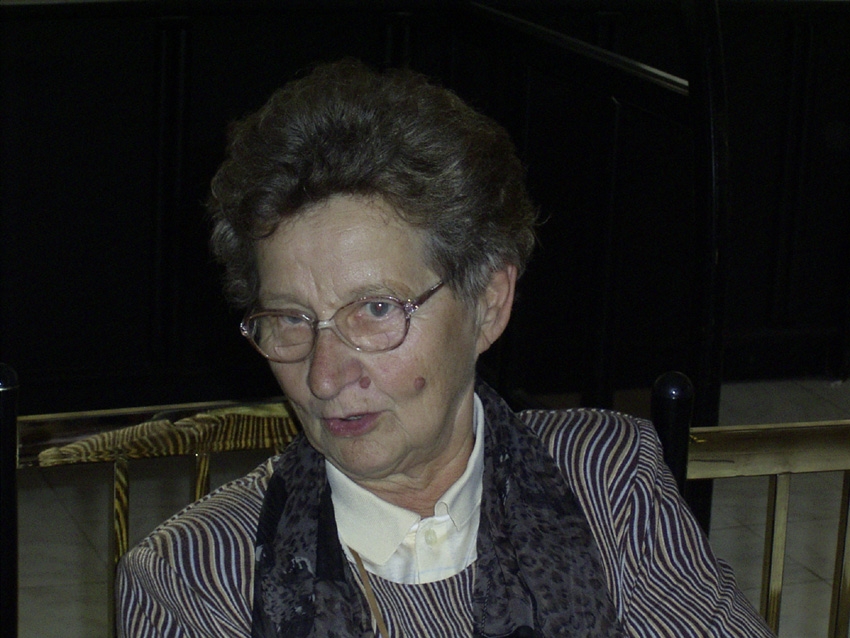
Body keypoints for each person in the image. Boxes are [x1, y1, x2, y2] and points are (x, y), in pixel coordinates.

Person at [117, 59, 774, 637]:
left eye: (376, 309)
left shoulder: (605, 480)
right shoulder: (197, 576)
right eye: (291, 318)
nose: (324, 376)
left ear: (488, 304)